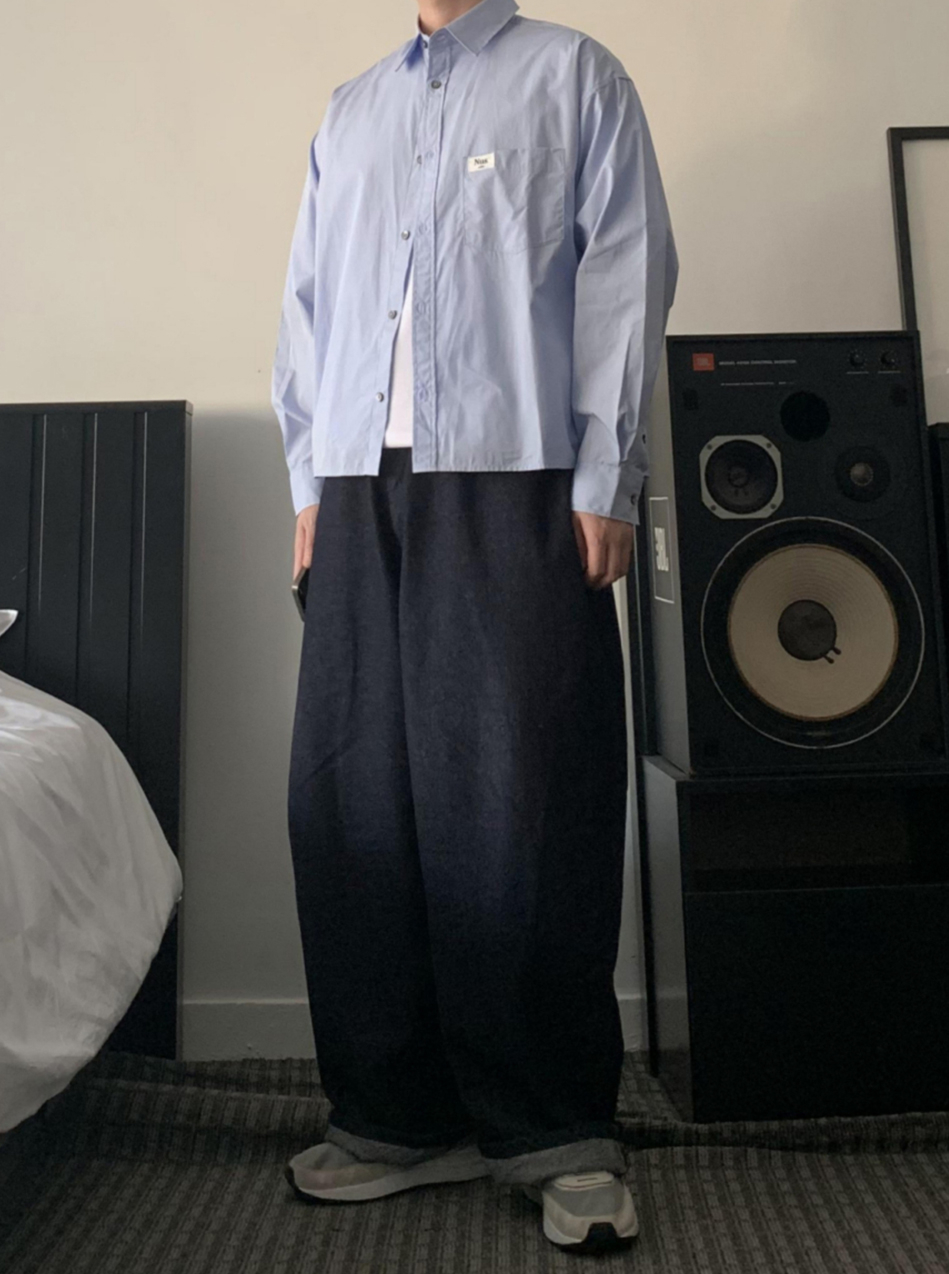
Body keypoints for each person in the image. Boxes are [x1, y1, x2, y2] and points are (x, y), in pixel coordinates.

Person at [271, 0, 678, 1253]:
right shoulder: (351, 111)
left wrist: (607, 474)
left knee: (523, 801)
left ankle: (555, 1128)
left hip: (520, 479)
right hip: (357, 486)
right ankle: (396, 1112)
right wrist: (307, 480)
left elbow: (623, 275)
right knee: (356, 793)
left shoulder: (575, 77)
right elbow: (307, 302)